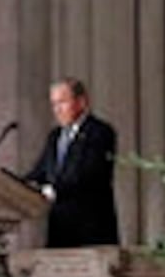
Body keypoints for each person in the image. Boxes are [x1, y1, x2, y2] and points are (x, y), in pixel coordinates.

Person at [33, 75, 120, 248]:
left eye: (62, 102)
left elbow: (89, 175)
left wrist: (53, 190)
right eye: (54, 104)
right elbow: (41, 171)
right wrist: (13, 183)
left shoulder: (100, 132)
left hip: (91, 230)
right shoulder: (54, 136)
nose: (57, 109)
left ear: (81, 102)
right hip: (60, 230)